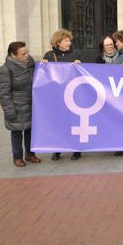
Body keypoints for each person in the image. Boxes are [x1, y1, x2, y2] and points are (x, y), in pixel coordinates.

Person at [0, 42, 41, 167]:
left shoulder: (32, 65)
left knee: (30, 130)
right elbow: (3, 93)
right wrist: (9, 110)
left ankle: (30, 154)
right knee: (16, 132)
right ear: (13, 55)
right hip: (16, 107)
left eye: (27, 52)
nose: (26, 56)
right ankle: (17, 157)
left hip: (31, 104)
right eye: (23, 54)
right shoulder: (5, 70)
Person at [43, 29, 82, 161]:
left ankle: (76, 149)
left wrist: (79, 65)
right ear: (58, 42)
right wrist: (44, 66)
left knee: (73, 122)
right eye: (66, 41)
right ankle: (57, 149)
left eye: (69, 40)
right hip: (57, 96)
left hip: (73, 94)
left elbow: (84, 71)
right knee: (58, 123)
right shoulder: (49, 55)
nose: (69, 43)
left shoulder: (76, 53)